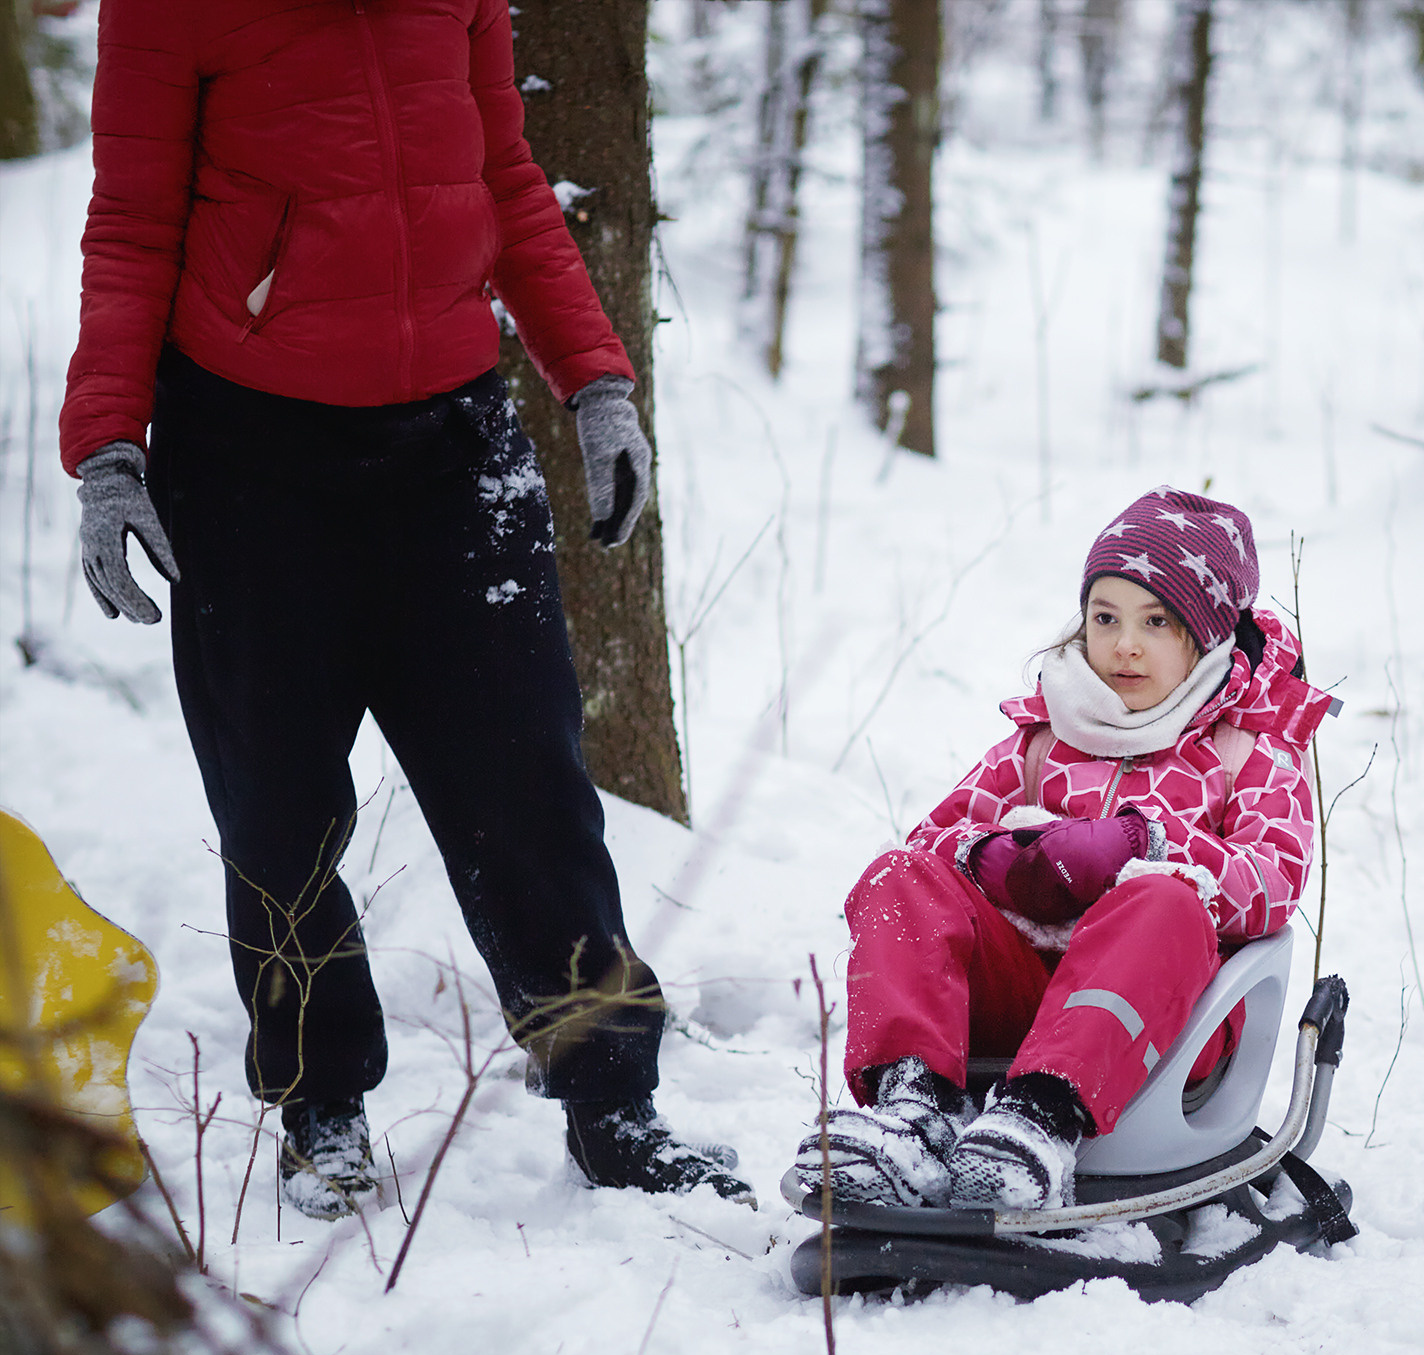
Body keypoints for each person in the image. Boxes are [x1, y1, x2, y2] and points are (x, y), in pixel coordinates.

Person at [60, 0, 749, 1216]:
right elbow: (130, 224)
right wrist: (111, 445)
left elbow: (505, 176)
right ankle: (322, 1106)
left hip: (449, 440)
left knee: (528, 787)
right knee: (277, 806)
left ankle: (612, 1099)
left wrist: (593, 378)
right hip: (247, 458)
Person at [818, 488, 1337, 1210]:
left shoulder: (1245, 749)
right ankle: (912, 1110)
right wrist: (991, 855)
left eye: (1158, 622)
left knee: (1162, 898)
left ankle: (1039, 1120)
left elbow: (1272, 880)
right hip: (1025, 998)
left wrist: (1146, 844)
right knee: (900, 876)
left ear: (1209, 636)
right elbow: (933, 840)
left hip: (1167, 1017)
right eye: (1105, 618)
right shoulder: (1041, 739)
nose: (1125, 644)